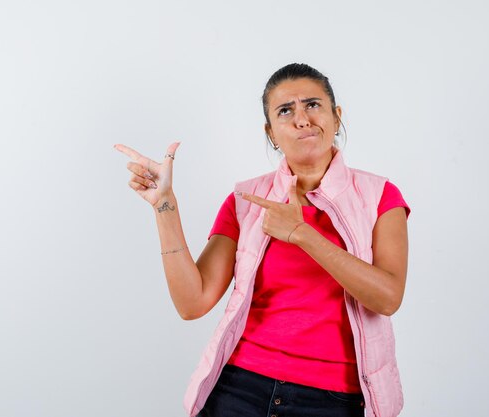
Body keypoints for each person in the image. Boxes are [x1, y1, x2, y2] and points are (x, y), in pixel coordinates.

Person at [114, 63, 410, 417]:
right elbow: (192, 303)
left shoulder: (379, 196)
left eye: (312, 104)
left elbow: (388, 298)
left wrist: (303, 234)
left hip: (331, 401)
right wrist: (165, 207)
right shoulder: (246, 201)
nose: (301, 119)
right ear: (271, 132)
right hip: (239, 389)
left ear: (336, 116)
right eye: (286, 110)